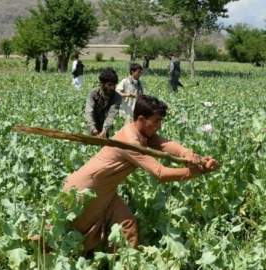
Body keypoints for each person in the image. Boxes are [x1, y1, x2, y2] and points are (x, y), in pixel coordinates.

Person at [64, 95, 218, 253]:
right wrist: (195, 172)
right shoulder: (131, 143)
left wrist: (190, 155)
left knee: (127, 226)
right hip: (86, 190)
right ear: (142, 119)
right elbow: (160, 173)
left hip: (106, 191)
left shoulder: (141, 132)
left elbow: (164, 144)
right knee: (67, 238)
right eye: (156, 121)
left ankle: (124, 262)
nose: (159, 126)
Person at [85, 67, 122, 138]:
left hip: (107, 128)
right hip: (91, 126)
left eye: (114, 85)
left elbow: (111, 114)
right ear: (102, 84)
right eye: (109, 85)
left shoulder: (117, 97)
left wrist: (104, 130)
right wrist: (93, 129)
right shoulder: (93, 94)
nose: (112, 88)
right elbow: (89, 112)